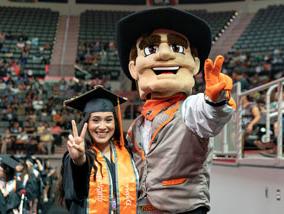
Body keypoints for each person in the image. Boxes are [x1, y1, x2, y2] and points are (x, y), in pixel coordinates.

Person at [116, 7, 236, 213]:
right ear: (134, 67)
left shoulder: (190, 108)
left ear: (195, 64)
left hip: (184, 209)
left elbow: (209, 116)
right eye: (151, 49)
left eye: (177, 48)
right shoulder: (137, 125)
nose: (163, 54)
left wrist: (216, 101)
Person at [60, 85, 138, 213]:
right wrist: (79, 160)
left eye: (108, 120)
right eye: (96, 120)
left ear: (115, 122)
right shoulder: (77, 155)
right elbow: (77, 190)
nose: (102, 126)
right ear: (87, 123)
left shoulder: (127, 152)